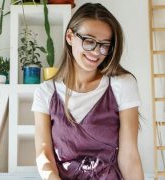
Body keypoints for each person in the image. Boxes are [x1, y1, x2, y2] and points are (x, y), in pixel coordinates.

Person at [32, 3, 144, 180]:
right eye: (89, 41)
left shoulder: (122, 85)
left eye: (104, 45)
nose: (96, 52)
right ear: (70, 36)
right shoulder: (45, 92)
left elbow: (129, 156)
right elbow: (44, 154)